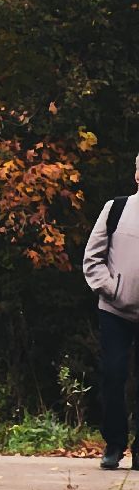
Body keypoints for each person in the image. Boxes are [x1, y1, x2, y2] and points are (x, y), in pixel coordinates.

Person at [82, 153, 139, 470]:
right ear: (137, 176)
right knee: (113, 375)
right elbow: (92, 258)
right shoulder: (116, 209)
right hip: (115, 311)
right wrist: (113, 290)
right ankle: (114, 445)